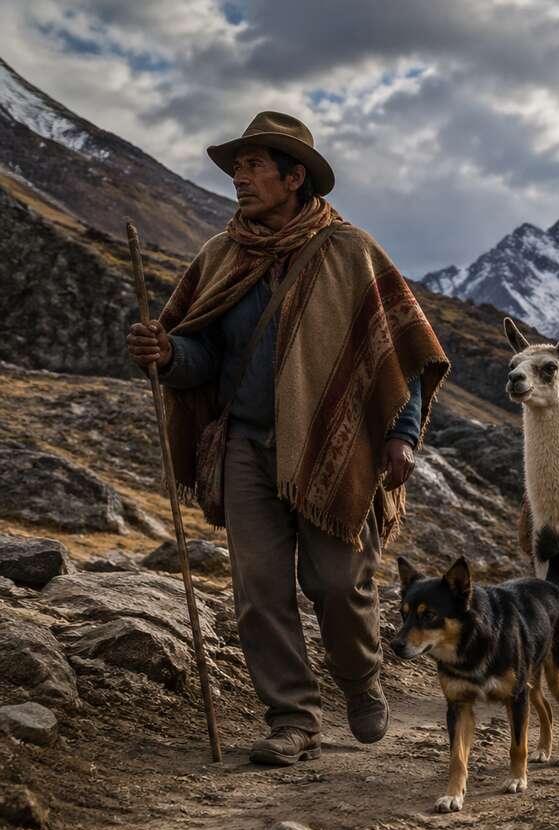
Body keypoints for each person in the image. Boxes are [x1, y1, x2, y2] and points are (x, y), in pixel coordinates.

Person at [126, 111, 450, 765]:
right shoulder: (221, 256)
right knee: (260, 588)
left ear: (293, 176)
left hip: (336, 447)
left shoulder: (350, 252)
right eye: (237, 168)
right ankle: (292, 717)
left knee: (335, 581)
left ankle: (360, 682)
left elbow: (400, 355)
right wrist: (165, 353)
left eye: (253, 166)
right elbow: (203, 357)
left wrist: (404, 433)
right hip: (246, 442)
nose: (240, 179)